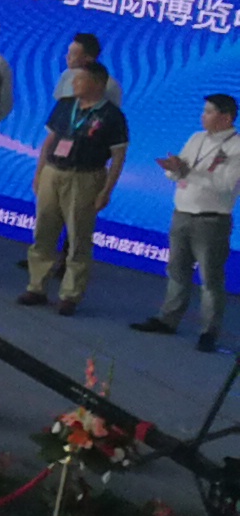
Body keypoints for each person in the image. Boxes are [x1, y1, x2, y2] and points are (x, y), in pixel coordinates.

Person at [22, 56, 132, 311]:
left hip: (85, 177)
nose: (74, 83)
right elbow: (49, 141)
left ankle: (70, 295)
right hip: (53, 172)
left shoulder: (112, 115)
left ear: (98, 83)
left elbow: (118, 157)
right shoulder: (65, 105)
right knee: (43, 231)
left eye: (80, 79)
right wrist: (39, 173)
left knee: (78, 237)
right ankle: (36, 286)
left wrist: (106, 190)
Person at [136, 93, 240, 351]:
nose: (202, 116)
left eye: (209, 112)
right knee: (177, 270)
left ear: (226, 118)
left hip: (211, 220)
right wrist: (173, 168)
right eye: (204, 111)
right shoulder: (196, 138)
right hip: (181, 213)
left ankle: (209, 331)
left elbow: (227, 184)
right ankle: (168, 319)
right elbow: (179, 171)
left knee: (210, 279)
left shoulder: (236, 146)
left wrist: (188, 173)